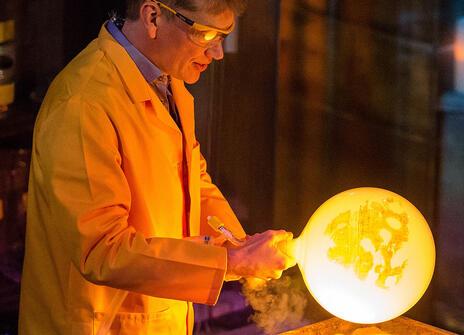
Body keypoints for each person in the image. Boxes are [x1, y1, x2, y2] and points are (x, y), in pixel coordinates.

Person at [18, 0, 295, 334]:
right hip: (99, 325)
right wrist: (229, 260)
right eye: (207, 34)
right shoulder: (83, 104)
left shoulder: (165, 80)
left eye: (224, 36)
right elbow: (102, 250)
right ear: (153, 16)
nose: (218, 53)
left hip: (158, 316)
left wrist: (238, 243)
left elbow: (193, 179)